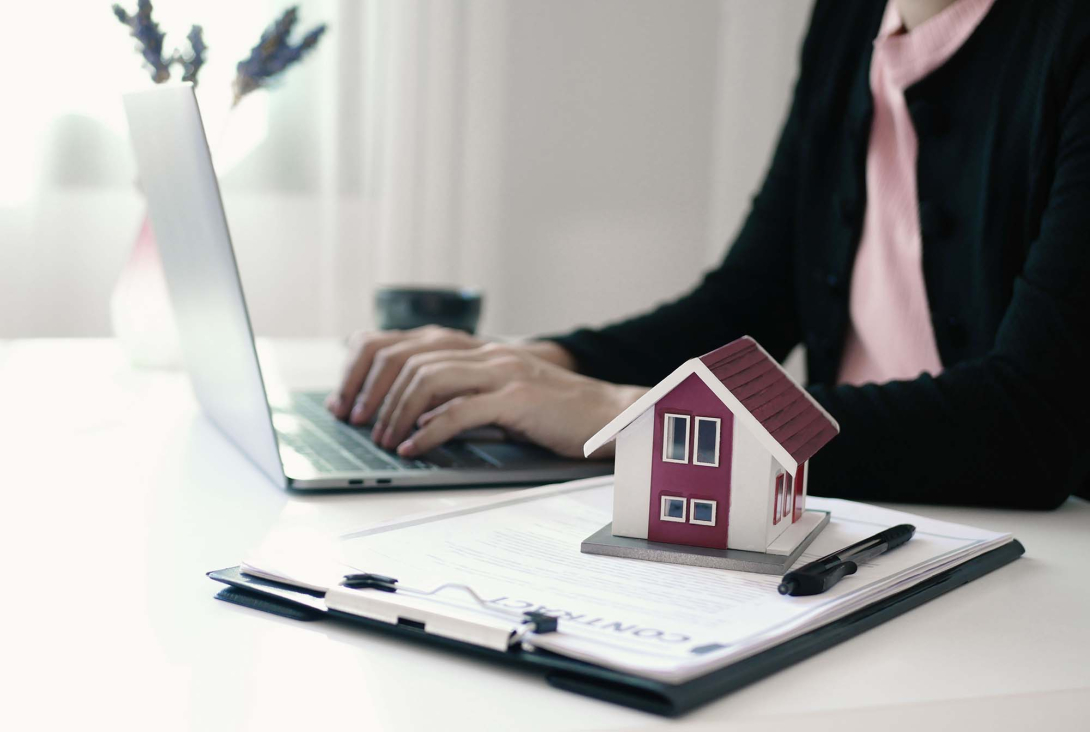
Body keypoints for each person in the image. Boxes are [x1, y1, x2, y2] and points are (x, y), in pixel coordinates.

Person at [326, 0, 1090, 510]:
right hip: (838, 515)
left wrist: (632, 417)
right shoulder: (850, 16)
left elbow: (1028, 425)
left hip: (1023, 562)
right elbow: (746, 303)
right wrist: (526, 367)